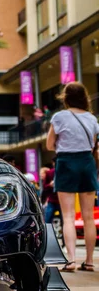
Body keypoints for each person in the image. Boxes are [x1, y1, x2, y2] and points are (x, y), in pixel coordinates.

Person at [46, 81, 99, 272]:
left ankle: (71, 261)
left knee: (67, 215)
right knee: (88, 217)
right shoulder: (92, 119)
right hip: (87, 163)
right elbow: (93, 145)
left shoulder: (59, 117)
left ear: (65, 97)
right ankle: (90, 261)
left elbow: (50, 145)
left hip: (66, 163)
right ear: (84, 97)